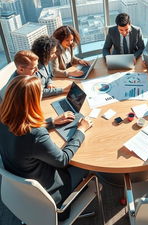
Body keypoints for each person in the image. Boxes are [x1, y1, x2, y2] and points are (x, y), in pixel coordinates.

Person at [0, 75, 92, 219]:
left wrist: (51, 122)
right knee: (89, 165)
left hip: (22, 191)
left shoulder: (3, 120)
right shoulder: (35, 134)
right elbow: (62, 159)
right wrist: (81, 130)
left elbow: (22, 126)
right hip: (51, 199)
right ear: (32, 102)